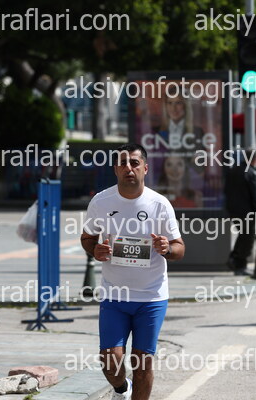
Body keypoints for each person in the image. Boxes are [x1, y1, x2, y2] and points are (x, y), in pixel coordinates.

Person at [80, 143, 185, 400]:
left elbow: (179, 248)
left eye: (135, 163)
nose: (129, 168)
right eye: (123, 163)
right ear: (115, 169)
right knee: (110, 361)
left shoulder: (159, 204)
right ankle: (121, 389)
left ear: (145, 169)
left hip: (151, 296)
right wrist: (95, 250)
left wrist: (166, 248)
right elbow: (87, 238)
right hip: (114, 295)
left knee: (142, 362)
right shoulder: (101, 201)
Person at [224, 148, 256, 276]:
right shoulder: (251, 172)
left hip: (233, 209)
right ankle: (240, 264)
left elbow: (226, 190)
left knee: (243, 235)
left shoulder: (234, 170)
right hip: (248, 211)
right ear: (254, 159)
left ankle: (234, 258)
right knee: (247, 237)